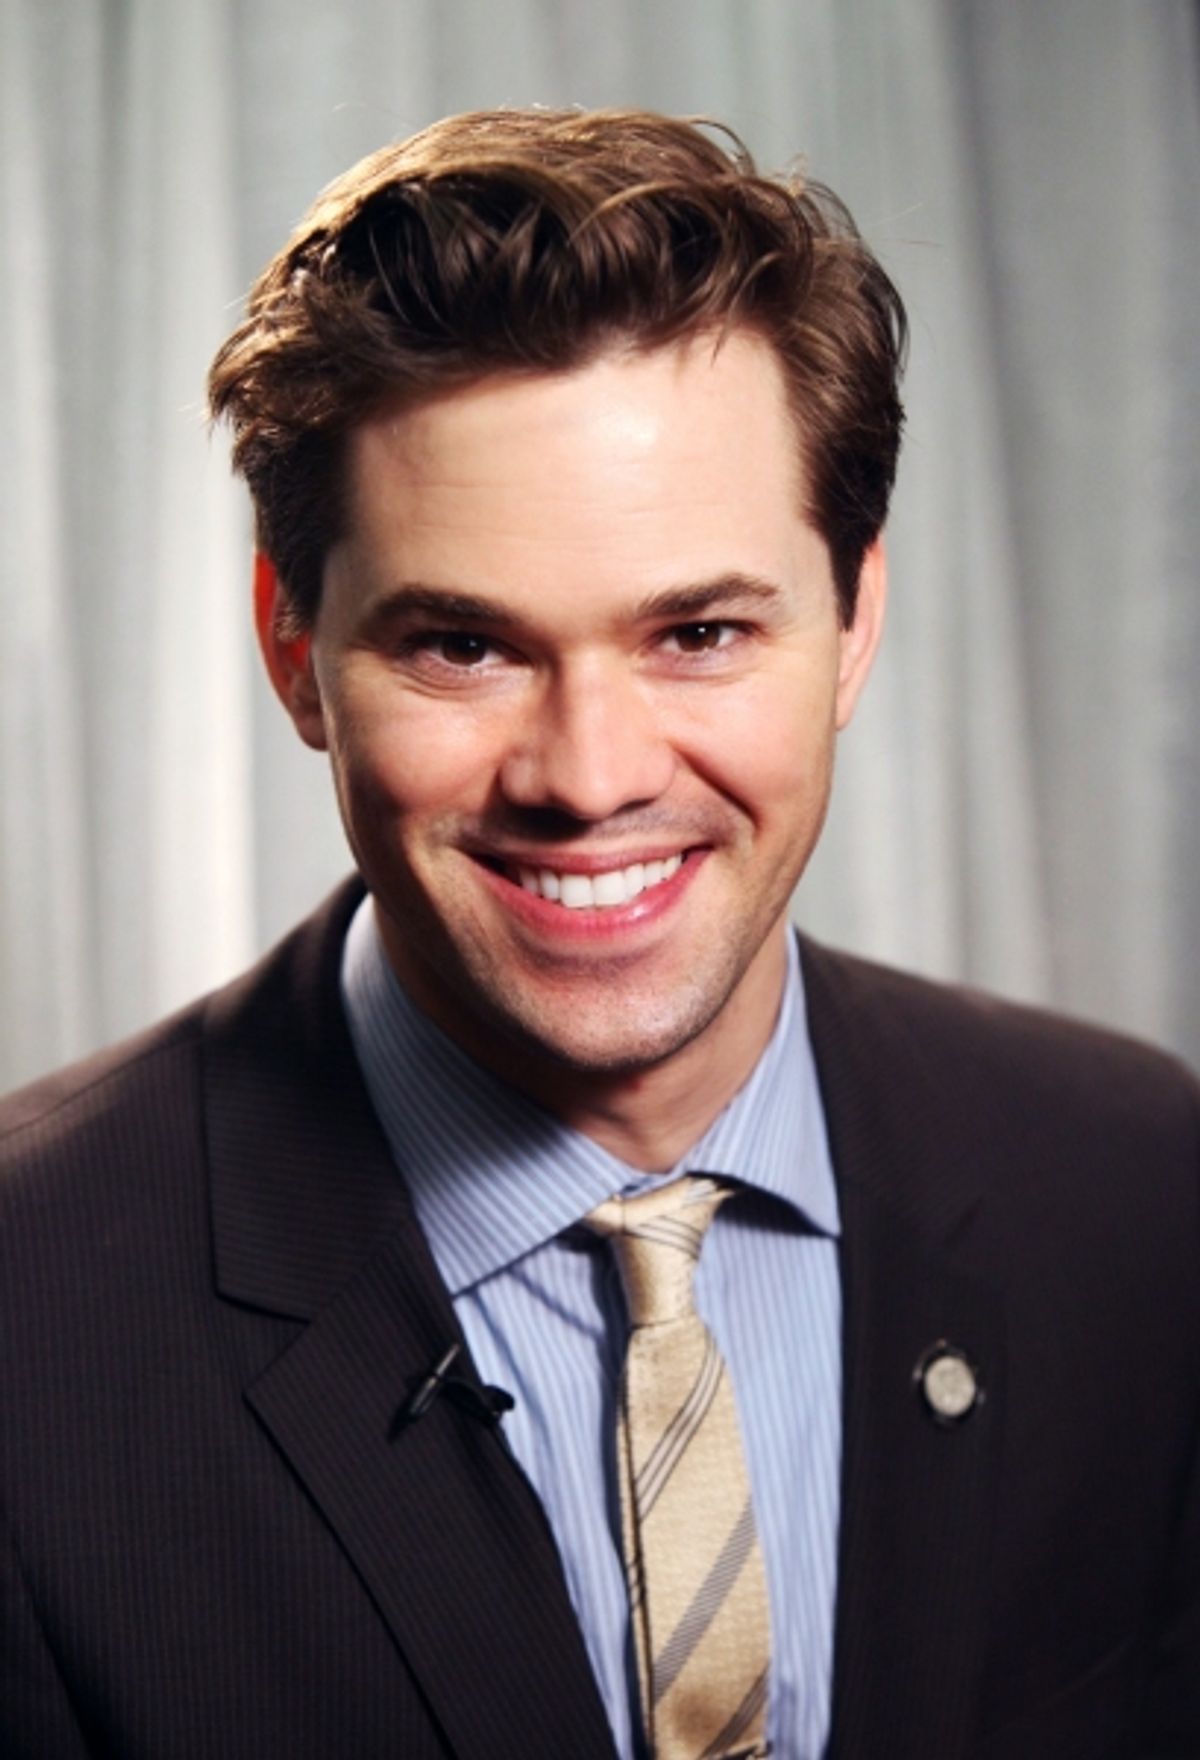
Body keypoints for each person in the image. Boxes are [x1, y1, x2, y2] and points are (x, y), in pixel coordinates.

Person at [1, 107, 1197, 1760]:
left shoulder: (1145, 1190)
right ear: (294, 650)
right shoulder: (26, 1319)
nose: (592, 777)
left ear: (854, 622)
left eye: (698, 631)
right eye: (463, 646)